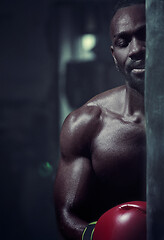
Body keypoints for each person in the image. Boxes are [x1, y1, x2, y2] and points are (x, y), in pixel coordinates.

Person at [54, 1, 146, 239]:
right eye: (123, 42)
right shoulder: (87, 124)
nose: (136, 49)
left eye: (145, 35)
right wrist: (104, 234)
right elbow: (68, 214)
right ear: (114, 56)